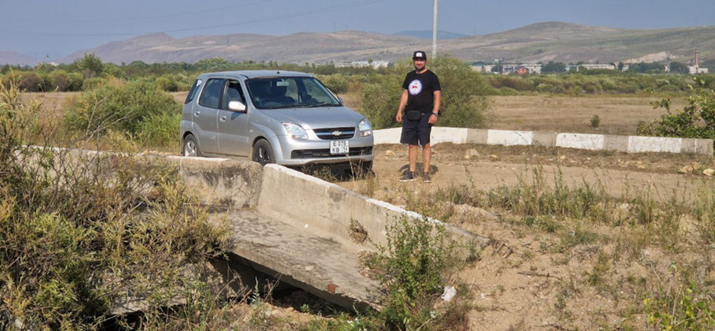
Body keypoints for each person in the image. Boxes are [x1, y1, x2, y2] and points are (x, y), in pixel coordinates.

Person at [395, 50, 441, 183]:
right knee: (411, 144)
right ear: (413, 61)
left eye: (421, 60)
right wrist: (399, 111)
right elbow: (405, 94)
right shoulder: (409, 76)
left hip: (425, 115)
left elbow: (437, 95)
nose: (419, 62)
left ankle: (426, 172)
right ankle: (411, 172)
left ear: (425, 61)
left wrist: (435, 113)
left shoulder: (431, 77)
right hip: (410, 115)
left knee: (425, 144)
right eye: (416, 60)